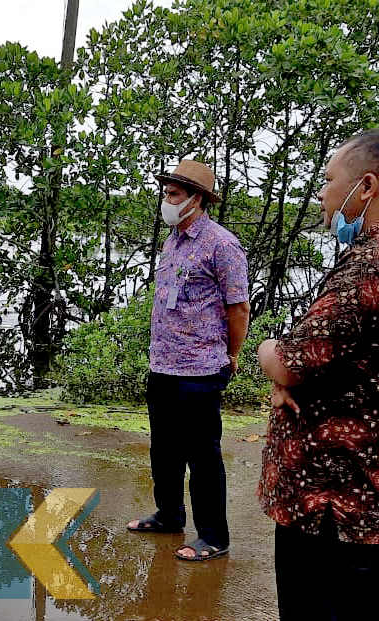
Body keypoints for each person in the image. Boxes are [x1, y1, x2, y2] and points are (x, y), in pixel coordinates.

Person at [257, 128, 379, 621]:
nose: (322, 194)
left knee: (324, 607)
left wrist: (269, 356)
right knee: (357, 602)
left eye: (327, 181)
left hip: (333, 496)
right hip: (366, 492)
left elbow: (290, 360)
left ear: (366, 187)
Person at [126, 159, 251, 563]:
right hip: (162, 364)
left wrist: (230, 355)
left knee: (202, 455)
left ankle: (214, 535)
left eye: (174, 194)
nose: (166, 200)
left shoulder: (222, 245)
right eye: (165, 193)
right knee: (163, 449)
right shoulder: (173, 241)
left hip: (200, 369)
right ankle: (169, 515)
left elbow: (239, 308)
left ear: (197, 200)